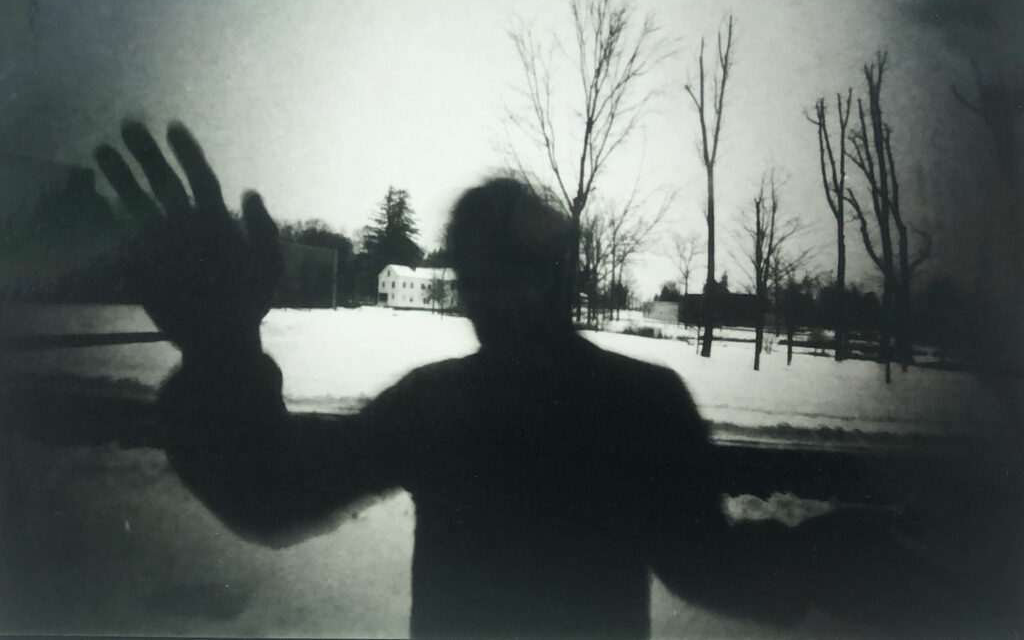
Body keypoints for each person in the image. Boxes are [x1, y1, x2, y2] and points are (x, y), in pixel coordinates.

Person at [95, 121, 935, 639]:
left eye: (499, 269)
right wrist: (848, 557)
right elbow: (709, 567)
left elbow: (272, 488)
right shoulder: (632, 403)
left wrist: (219, 353)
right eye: (481, 271)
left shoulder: (444, 405)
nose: (488, 291)